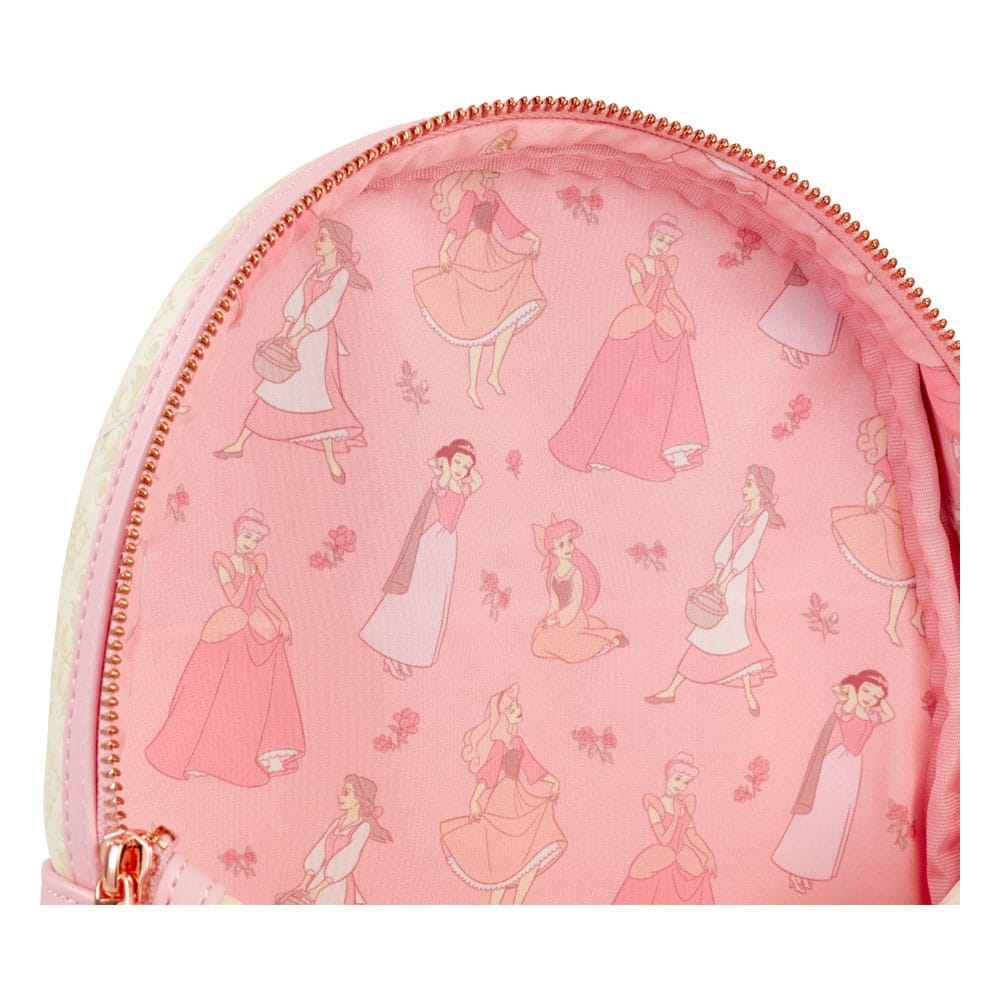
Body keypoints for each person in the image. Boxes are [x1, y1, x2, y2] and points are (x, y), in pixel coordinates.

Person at [145, 510, 304, 786]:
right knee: (215, 692)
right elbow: (234, 599)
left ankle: (266, 751)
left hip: (254, 625)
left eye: (254, 540)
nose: (250, 543)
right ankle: (203, 754)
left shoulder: (255, 564)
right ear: (236, 534)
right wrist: (247, 576)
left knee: (259, 688)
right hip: (231, 625)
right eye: (246, 537)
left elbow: (263, 596)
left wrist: (282, 619)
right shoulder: (225, 562)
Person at [549, 214, 707, 480]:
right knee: (616, 387)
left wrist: (687, 315)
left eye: (667, 243)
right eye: (660, 240)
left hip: (659, 327)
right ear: (651, 237)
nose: (662, 246)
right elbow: (644, 299)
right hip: (637, 326)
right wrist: (657, 277)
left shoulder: (665, 267)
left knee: (654, 389)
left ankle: (670, 444)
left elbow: (671, 295)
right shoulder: (637, 264)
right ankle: (601, 448)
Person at [214, 218, 371, 485]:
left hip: (317, 340)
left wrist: (299, 335)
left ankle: (331, 459)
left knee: (319, 396)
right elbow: (297, 299)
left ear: (336, 244)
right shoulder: (315, 269)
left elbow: (327, 305)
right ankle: (239, 443)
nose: (317, 243)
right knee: (274, 389)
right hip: (299, 332)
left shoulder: (340, 274)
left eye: (323, 238)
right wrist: (284, 331)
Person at [412, 137, 545, 409]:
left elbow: (509, 223)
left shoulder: (492, 196)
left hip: (491, 252)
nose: (493, 172)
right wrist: (444, 250)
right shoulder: (470, 197)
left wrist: (533, 238)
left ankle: (493, 374)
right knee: (477, 323)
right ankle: (472, 386)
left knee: (507, 316)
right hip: (473, 253)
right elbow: (459, 225)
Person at [646, 466, 783, 716]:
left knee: (735, 635)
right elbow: (727, 543)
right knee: (714, 633)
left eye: (750, 484)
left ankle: (747, 695)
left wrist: (727, 579)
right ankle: (675, 689)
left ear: (761, 490)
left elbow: (749, 549)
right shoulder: (743, 514)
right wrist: (715, 576)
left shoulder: (761, 516)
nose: (744, 488)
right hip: (728, 576)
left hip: (740, 581)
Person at [359, 439, 482, 680]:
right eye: (458, 462)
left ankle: (404, 655)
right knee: (413, 598)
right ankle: (390, 653)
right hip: (431, 544)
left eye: (466, 466)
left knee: (431, 603)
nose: (461, 469)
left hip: (446, 546)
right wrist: (444, 464)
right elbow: (444, 480)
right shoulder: (442, 483)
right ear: (449, 460)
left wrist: (463, 460)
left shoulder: (462, 487)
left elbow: (478, 480)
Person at [440, 683, 565, 903]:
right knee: (503, 861)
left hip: (518, 798)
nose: (518, 709)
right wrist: (475, 799)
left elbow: (531, 767)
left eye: (517, 705)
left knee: (529, 857)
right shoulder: (499, 745)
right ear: (503, 715)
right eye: (511, 708)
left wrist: (553, 780)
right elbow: (489, 773)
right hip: (502, 800)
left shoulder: (518, 742)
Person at [772, 670, 894, 894]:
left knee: (834, 821)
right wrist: (853, 691)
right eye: (867, 690)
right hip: (836, 765)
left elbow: (889, 713)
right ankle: (794, 868)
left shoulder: (871, 716)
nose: (870, 698)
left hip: (852, 768)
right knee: (816, 816)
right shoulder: (847, 709)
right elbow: (848, 703)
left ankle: (808, 869)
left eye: (876, 696)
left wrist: (878, 697)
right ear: (857, 688)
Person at [831, 415, 925, 645]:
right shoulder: (889, 461)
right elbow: (875, 485)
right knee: (905, 578)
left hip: (907, 519)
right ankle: (894, 623)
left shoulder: (903, 455)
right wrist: (871, 493)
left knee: (915, 577)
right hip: (895, 520)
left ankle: (912, 618)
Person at [613, 752, 717, 904]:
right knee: (644, 874)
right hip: (663, 852)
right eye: (677, 779)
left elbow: (692, 835)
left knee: (699, 875)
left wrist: (709, 855)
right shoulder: (656, 805)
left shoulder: (685, 805)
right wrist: (675, 816)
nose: (680, 785)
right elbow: (664, 840)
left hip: (682, 852)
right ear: (668, 776)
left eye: (685, 782)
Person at [280, 775, 392, 904]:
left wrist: (317, 889)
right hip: (320, 879)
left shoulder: (363, 827)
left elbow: (348, 857)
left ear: (359, 798)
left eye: (346, 793)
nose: (340, 797)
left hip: (338, 883)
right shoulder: (337, 823)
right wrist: (304, 884)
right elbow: (319, 850)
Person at [530, 516, 627, 663]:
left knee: (571, 645)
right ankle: (594, 641)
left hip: (573, 616)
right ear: (553, 551)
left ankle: (610, 642)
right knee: (538, 645)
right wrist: (549, 618)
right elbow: (554, 602)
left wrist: (557, 619)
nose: (568, 548)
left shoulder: (575, 573)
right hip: (558, 617)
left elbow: (575, 603)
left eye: (569, 542)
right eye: (561, 545)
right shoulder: (554, 574)